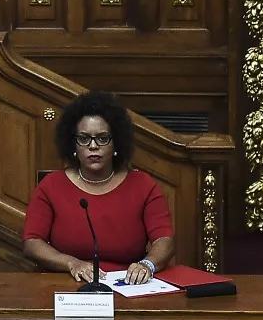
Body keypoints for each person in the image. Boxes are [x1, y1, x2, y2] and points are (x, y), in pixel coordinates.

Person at [22, 90, 175, 283]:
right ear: (73, 145)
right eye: (84, 138)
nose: (93, 146)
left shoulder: (143, 185)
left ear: (116, 143)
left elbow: (165, 241)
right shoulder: (51, 186)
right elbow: (32, 242)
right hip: (66, 282)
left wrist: (147, 265)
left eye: (102, 138)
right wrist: (71, 263)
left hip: (127, 285)